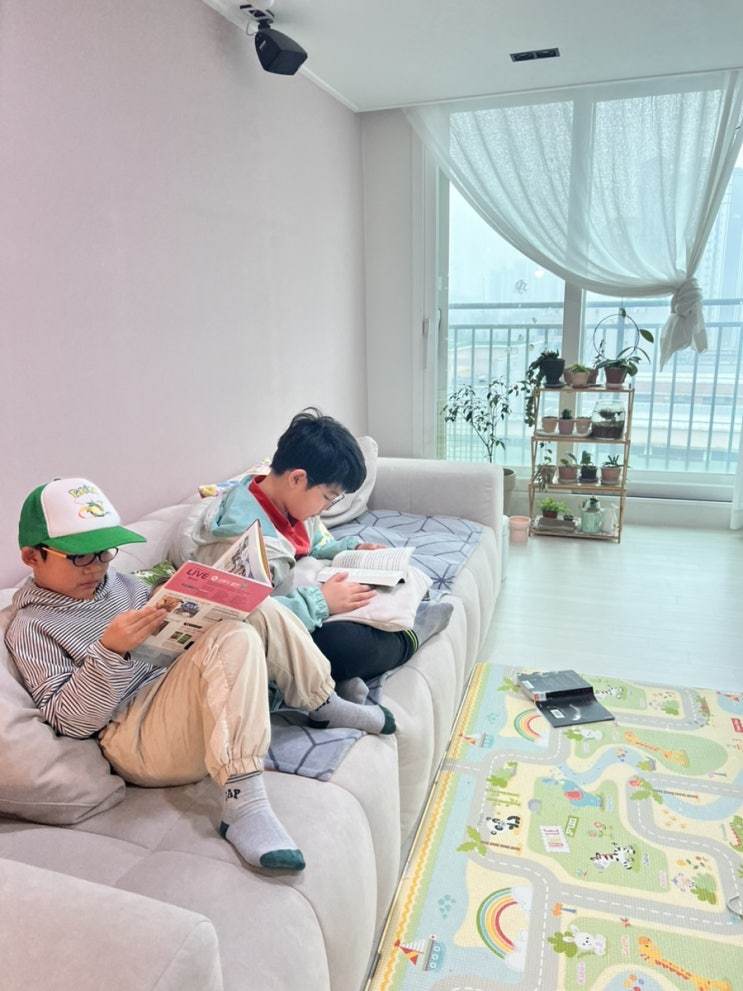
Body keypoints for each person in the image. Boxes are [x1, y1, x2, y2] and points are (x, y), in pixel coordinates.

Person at [5, 477, 396, 875]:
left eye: (104, 552)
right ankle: (244, 803)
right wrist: (110, 652)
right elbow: (70, 723)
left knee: (256, 606)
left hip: (175, 693)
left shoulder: (118, 583)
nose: (96, 567)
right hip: (132, 739)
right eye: (79, 557)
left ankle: (322, 702)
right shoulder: (31, 626)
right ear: (32, 557)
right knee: (233, 637)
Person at [176, 408, 452, 687]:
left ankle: (351, 670)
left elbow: (313, 545)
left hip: (307, 595)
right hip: (279, 625)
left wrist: (352, 548)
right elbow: (245, 620)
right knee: (345, 646)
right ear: (297, 478)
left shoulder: (287, 504)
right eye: (328, 497)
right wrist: (320, 601)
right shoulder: (245, 539)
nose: (326, 508)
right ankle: (412, 636)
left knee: (396, 580)